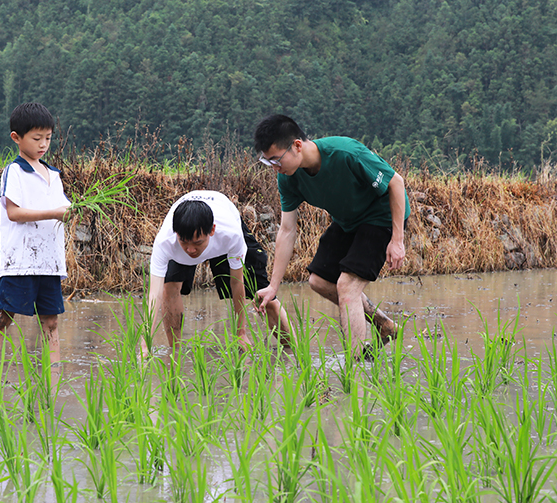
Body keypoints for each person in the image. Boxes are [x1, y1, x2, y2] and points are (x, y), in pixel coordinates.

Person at [253, 114, 410, 358]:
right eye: (268, 162)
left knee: (347, 286)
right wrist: (273, 286)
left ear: (297, 145)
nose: (275, 167)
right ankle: (384, 324)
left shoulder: (345, 153)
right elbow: (287, 230)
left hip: (382, 216)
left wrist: (397, 240)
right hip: (348, 221)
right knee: (319, 281)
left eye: (276, 159)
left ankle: (355, 367)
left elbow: (396, 183)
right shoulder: (288, 179)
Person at [0, 102, 71, 381]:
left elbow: (64, 208)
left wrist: (71, 212)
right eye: (36, 138)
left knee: (51, 322)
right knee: (3, 317)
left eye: (48, 138)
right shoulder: (15, 171)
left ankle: (53, 382)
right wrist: (54, 213)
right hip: (20, 261)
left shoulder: (54, 175)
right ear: (16, 138)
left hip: (49, 262)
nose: (43, 144)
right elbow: (14, 212)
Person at [146, 190, 293, 354]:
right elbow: (154, 295)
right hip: (185, 227)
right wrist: (145, 344)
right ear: (176, 234)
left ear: (212, 230)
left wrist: (241, 333)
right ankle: (176, 352)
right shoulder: (165, 242)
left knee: (263, 292)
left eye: (197, 243)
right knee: (169, 286)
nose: (191, 250)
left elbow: (236, 282)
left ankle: (295, 353)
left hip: (223, 222)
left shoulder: (231, 235)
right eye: (184, 242)